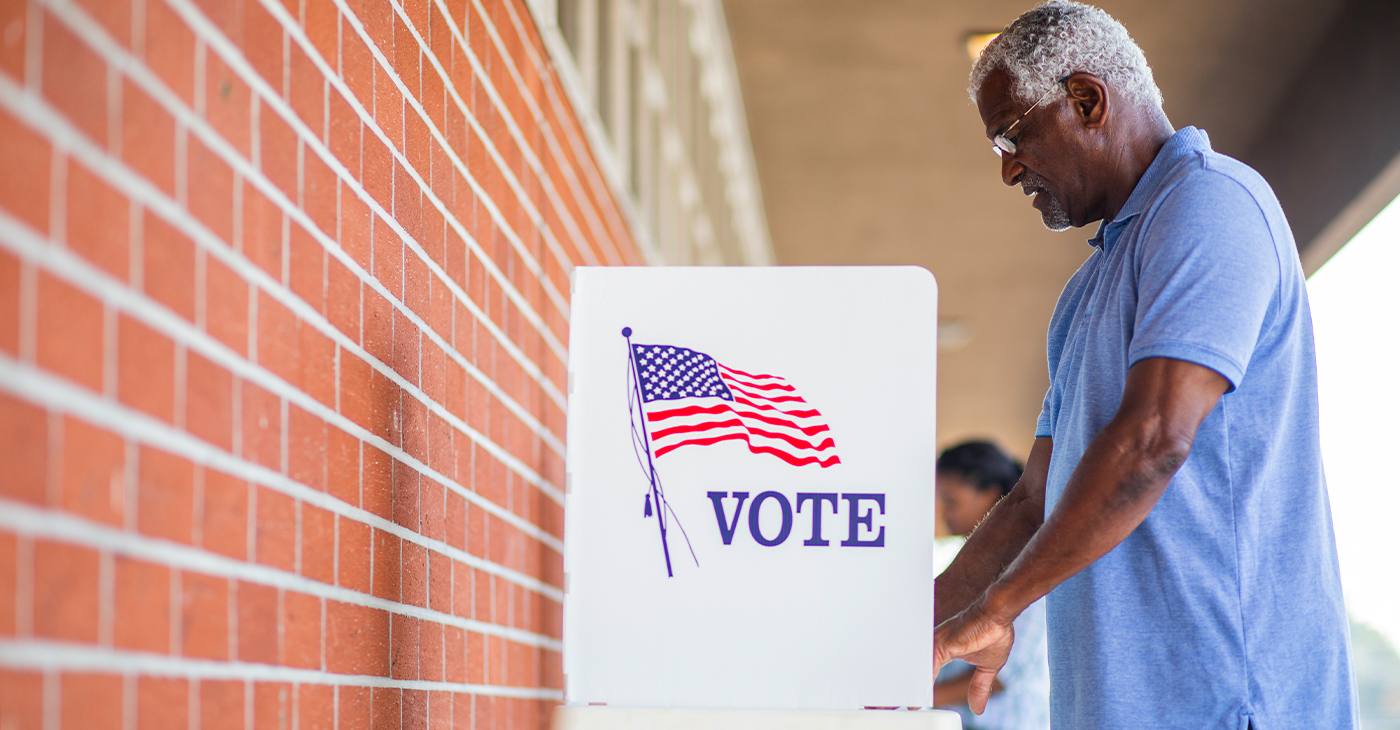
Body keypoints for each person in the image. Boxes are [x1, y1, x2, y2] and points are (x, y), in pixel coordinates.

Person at [933, 3, 1360, 729]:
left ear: (1086, 99)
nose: (1008, 170)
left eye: (1012, 134)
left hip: (1226, 700)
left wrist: (999, 609)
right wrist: (917, 625)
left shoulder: (1210, 203)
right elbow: (1035, 499)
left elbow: (1156, 438)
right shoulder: (1086, 292)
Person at [934, 442, 1049, 730]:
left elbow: (1003, 674)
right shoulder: (967, 570)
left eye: (951, 502)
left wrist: (917, 697)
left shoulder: (1028, 566)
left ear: (990, 496)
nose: (944, 514)